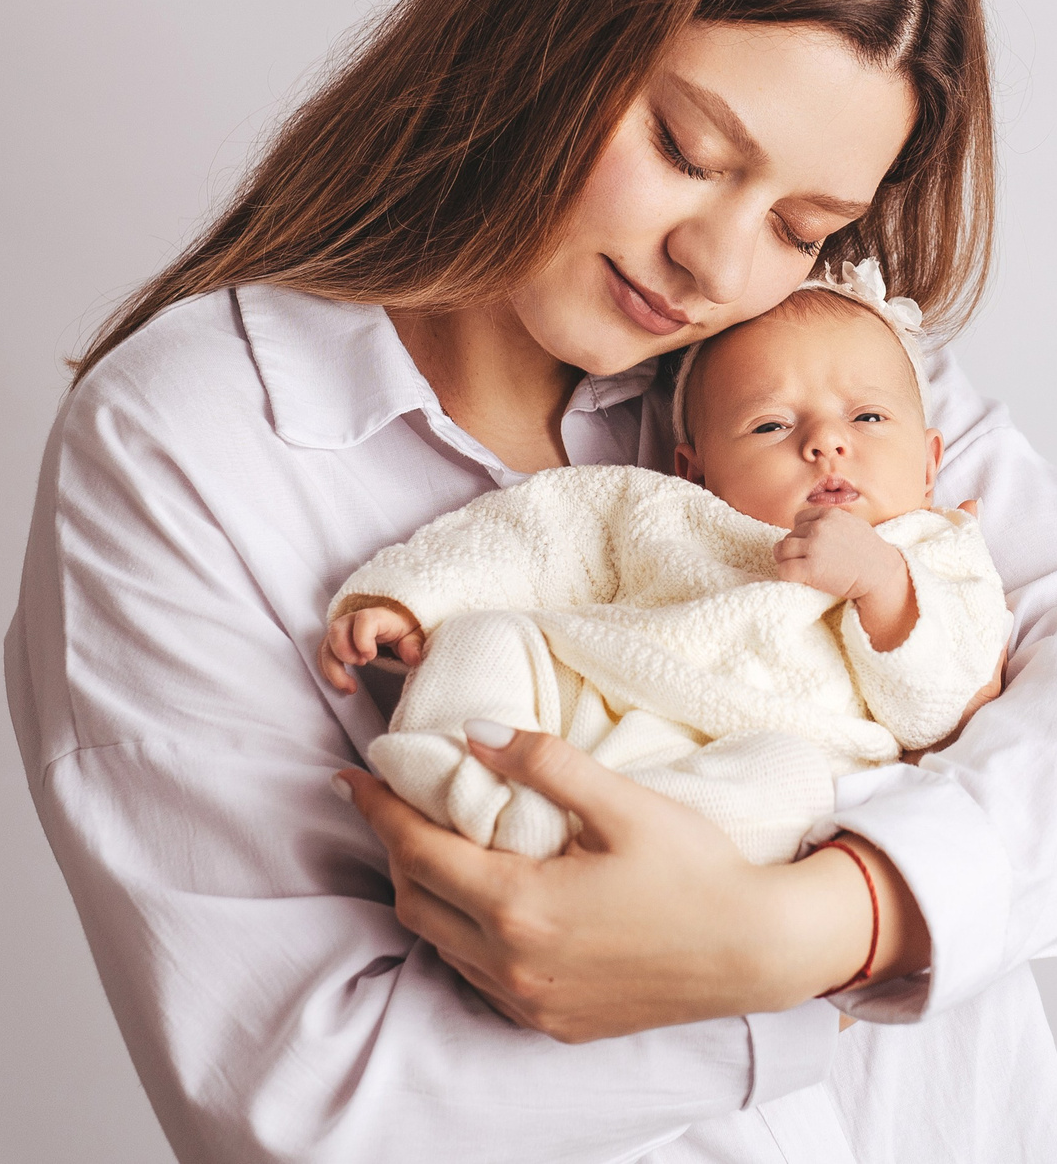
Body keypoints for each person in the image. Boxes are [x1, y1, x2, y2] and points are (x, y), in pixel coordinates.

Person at [5, 0, 1057, 1163]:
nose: (716, 263)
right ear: (546, 27)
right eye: (685, 146)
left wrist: (819, 927)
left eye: (802, 222)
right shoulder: (188, 445)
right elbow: (312, 1101)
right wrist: (762, 1001)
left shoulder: (817, 369)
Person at [317, 264, 1011, 867]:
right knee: (487, 635)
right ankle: (462, 780)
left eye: (868, 418)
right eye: (771, 425)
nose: (826, 441)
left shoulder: (937, 555)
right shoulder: (664, 509)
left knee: (791, 783)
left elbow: (939, 710)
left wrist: (883, 584)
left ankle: (579, 835)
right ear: (695, 469)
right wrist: (410, 598)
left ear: (929, 464)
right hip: (598, 700)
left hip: (754, 759)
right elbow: (534, 532)